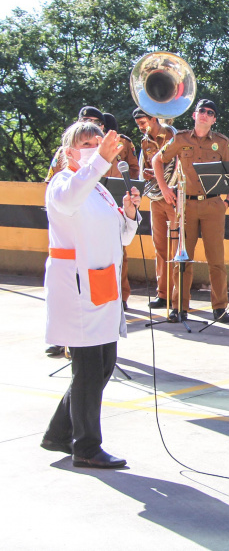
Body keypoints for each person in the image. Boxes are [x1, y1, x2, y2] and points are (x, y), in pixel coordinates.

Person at [40, 122, 141, 468]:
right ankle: (86, 447)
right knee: (86, 368)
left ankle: (58, 432)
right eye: (86, 143)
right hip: (77, 285)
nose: (95, 147)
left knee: (104, 364)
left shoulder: (98, 189)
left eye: (98, 143)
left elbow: (123, 238)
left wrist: (129, 213)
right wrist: (98, 160)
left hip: (103, 284)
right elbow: (70, 200)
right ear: (69, 152)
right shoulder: (63, 183)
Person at [152, 99, 229, 324]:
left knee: (216, 260)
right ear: (194, 115)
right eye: (201, 111)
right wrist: (164, 188)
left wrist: (227, 198)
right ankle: (179, 307)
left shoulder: (222, 142)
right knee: (182, 258)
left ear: (214, 119)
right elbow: (157, 160)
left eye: (210, 112)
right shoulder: (180, 139)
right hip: (185, 205)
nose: (205, 115)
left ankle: (219, 307)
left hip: (212, 205)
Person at [134, 107, 177, 309]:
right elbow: (145, 167)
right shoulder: (144, 141)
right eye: (138, 124)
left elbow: (177, 164)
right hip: (156, 197)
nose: (141, 127)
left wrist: (165, 181)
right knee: (160, 246)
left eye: (143, 123)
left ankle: (178, 296)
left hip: (173, 196)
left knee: (178, 248)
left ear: (153, 118)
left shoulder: (171, 134)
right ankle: (163, 293)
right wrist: (148, 174)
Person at [102, 113, 140, 306]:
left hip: (117, 199)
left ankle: (122, 296)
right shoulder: (84, 145)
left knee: (121, 252)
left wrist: (128, 186)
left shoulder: (125, 143)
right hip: (93, 198)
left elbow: (134, 168)